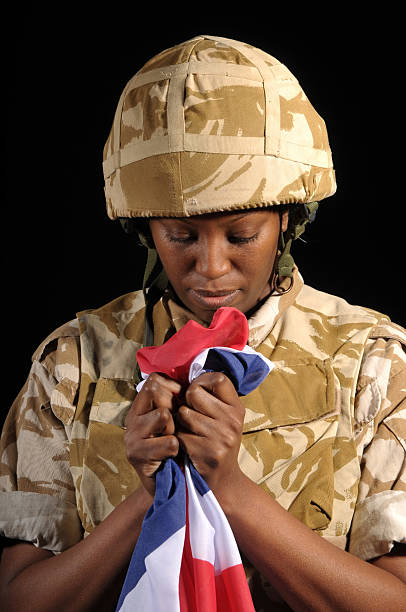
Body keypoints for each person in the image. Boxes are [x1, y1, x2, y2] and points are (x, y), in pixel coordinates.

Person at [0, 34, 405, 611]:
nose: (210, 268)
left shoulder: (372, 365)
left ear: (288, 219)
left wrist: (232, 489)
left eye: (242, 235)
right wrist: (148, 494)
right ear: (144, 229)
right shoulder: (75, 363)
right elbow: (21, 599)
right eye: (180, 236)